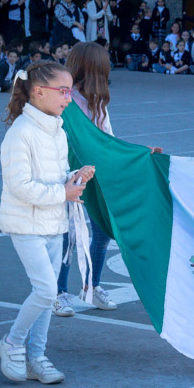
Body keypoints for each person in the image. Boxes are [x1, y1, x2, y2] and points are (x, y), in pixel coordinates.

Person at [0, 59, 96, 383]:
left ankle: (36, 358)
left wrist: (74, 177)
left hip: (54, 224)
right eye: (63, 91)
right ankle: (12, 343)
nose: (69, 98)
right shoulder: (20, 134)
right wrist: (62, 193)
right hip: (25, 225)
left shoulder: (57, 131)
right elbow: (20, 186)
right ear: (38, 92)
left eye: (70, 91)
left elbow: (54, 179)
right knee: (45, 289)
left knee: (48, 294)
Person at [53, 42, 163, 317]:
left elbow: (108, 142)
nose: (109, 68)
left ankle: (93, 286)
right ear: (92, 68)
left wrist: (140, 154)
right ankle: (59, 292)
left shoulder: (98, 102)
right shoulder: (64, 102)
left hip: (97, 173)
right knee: (68, 234)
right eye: (105, 64)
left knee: (102, 230)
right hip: (68, 175)